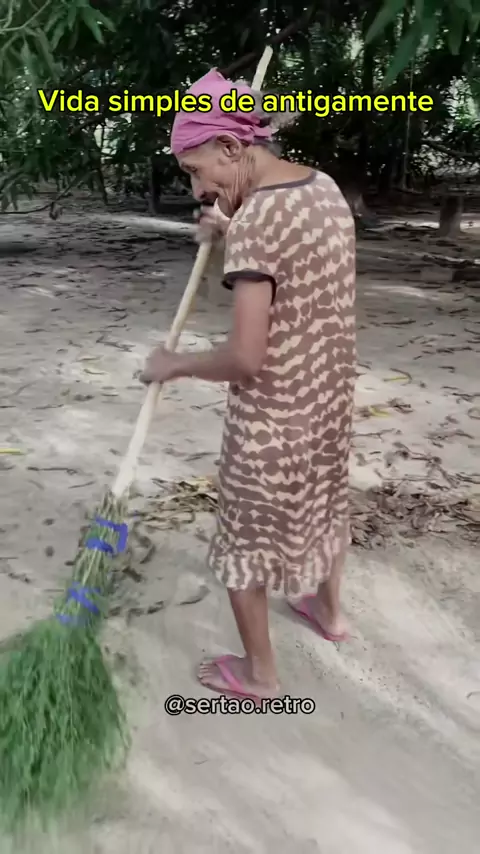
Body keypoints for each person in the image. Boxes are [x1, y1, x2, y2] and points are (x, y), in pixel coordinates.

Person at [140, 69, 356, 701]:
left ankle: (260, 675)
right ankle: (330, 613)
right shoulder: (322, 187)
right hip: (329, 403)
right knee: (325, 504)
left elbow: (244, 358)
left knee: (243, 544)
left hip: (274, 420)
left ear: (232, 147)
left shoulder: (259, 219)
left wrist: (174, 364)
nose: (198, 188)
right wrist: (230, 229)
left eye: (197, 171)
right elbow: (298, 261)